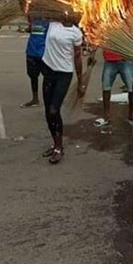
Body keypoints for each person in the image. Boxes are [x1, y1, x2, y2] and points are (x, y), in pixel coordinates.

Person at [41, 14, 84, 164]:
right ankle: (55, 143)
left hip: (64, 74)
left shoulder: (75, 33)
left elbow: (78, 57)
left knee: (54, 110)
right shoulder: (53, 22)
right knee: (48, 111)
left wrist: (80, 81)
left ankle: (59, 147)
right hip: (48, 71)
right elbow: (34, 12)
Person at [93, 50, 133, 129]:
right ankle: (106, 116)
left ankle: (132, 116)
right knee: (106, 87)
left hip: (126, 59)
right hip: (109, 60)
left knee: (132, 88)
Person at [20, 17, 49, 108]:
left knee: (47, 78)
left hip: (44, 53)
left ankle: (48, 99)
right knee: (33, 77)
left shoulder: (49, 21)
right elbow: (31, 29)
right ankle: (35, 99)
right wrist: (27, 29)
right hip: (31, 52)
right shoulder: (33, 20)